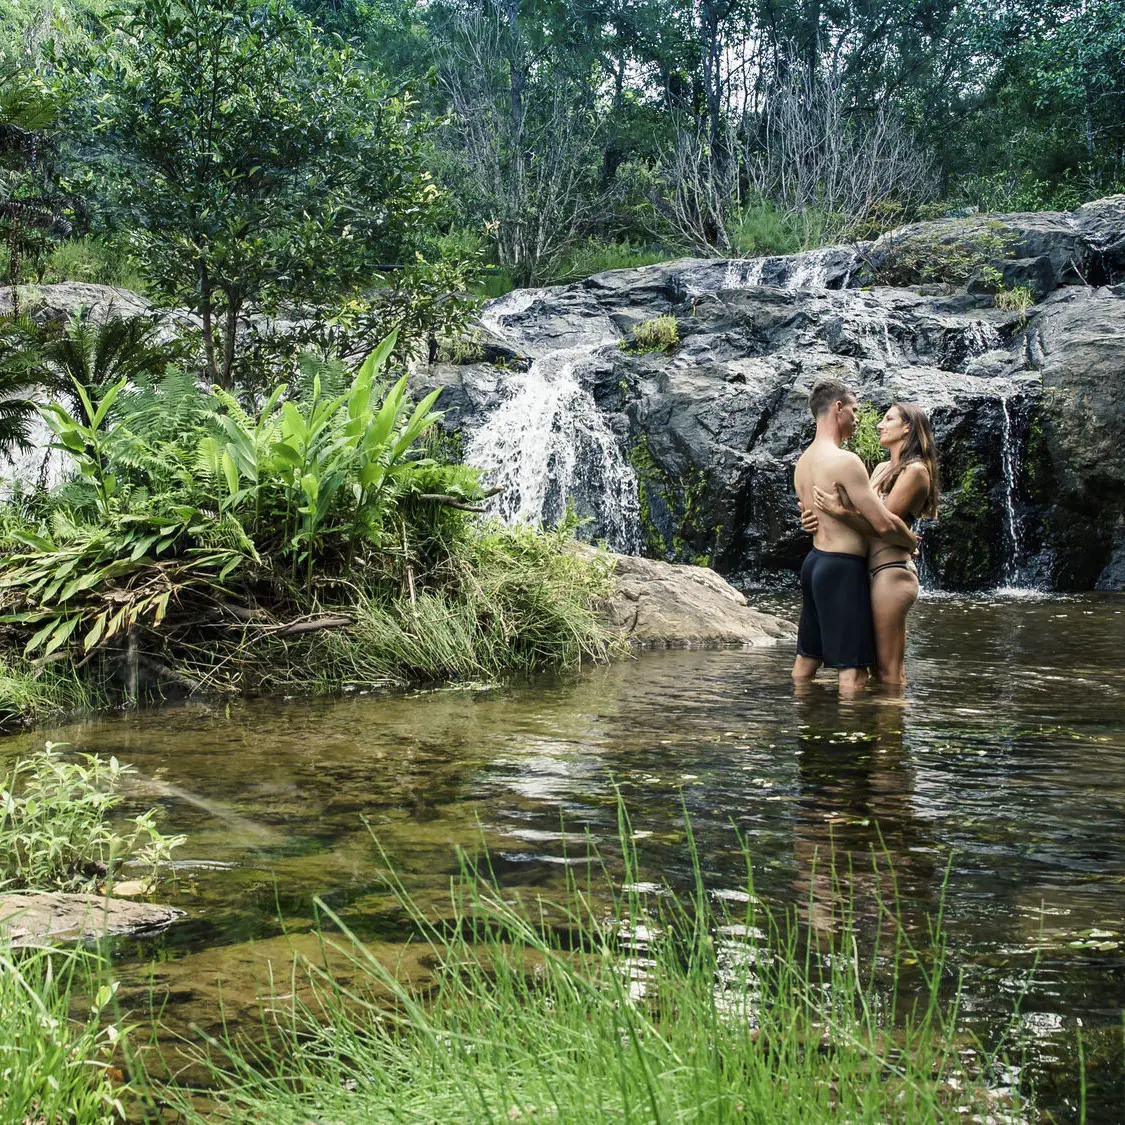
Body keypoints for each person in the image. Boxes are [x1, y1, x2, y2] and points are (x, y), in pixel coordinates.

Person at [802, 402, 940, 686]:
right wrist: (814, 519)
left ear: (908, 427)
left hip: (891, 571)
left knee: (889, 672)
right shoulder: (879, 468)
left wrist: (841, 513)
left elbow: (883, 525)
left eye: (888, 419)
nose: (879, 424)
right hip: (867, 571)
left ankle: (891, 728)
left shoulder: (915, 471)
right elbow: (872, 520)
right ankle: (873, 723)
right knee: (873, 666)